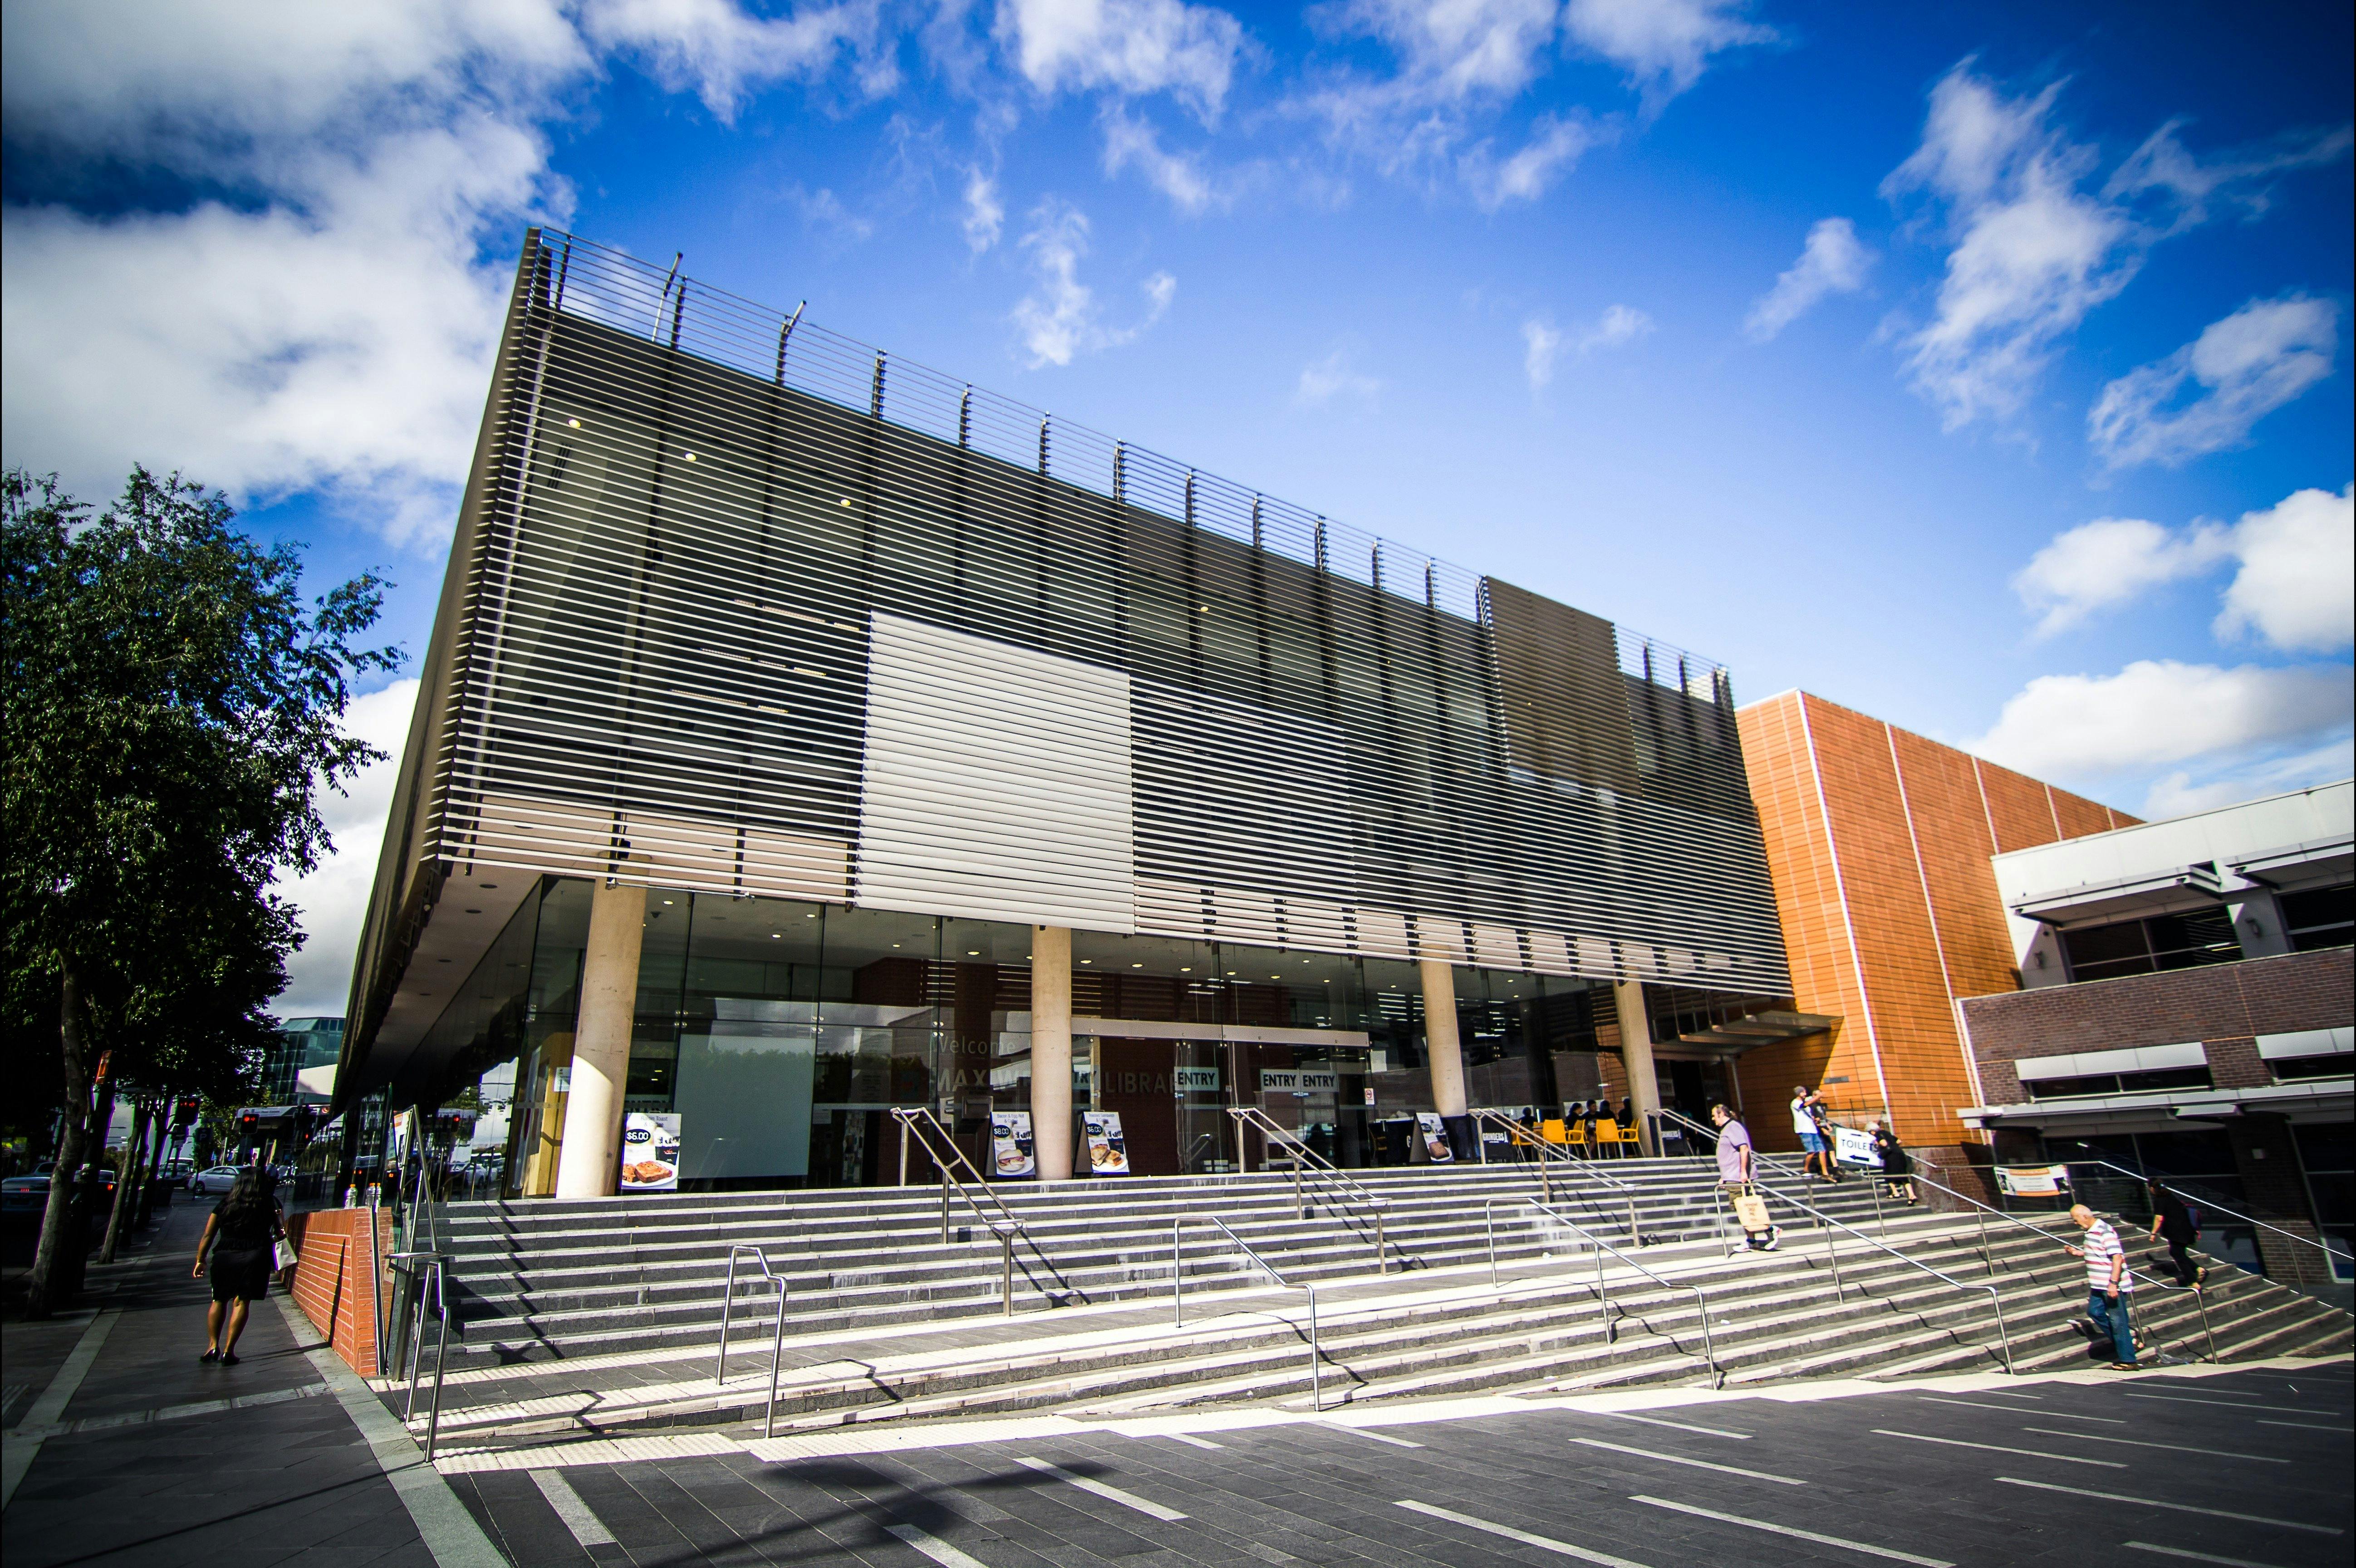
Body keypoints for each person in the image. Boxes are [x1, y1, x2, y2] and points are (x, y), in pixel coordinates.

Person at [193, 1165, 284, 1364]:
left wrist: (201, 1260)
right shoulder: (268, 1203)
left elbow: (209, 1234)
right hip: (256, 1256)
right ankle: (229, 1351)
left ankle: (212, 1346)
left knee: (218, 1299)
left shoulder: (225, 1204)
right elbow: (281, 1233)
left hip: (225, 1255)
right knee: (241, 1301)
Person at [2064, 1202, 2138, 1370]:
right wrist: (2078, 1253)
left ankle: (2128, 1360)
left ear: (2085, 1216)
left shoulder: (2105, 1231)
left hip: (2110, 1285)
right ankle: (2127, 1343)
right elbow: (2099, 1251)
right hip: (2098, 1284)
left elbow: (2117, 1258)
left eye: (2076, 1220)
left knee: (2118, 1321)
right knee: (2095, 1312)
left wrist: (2113, 1284)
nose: (2075, 1224)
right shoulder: (2090, 1231)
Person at [1711, 1102, 1778, 1251]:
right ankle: (1751, 1240)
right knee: (1744, 1210)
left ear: (1722, 1114)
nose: (1713, 1119)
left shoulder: (1733, 1127)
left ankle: (1771, 1230)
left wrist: (1743, 1172)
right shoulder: (1727, 1129)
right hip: (1732, 1176)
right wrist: (1724, 1176)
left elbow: (1744, 1148)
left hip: (1738, 1178)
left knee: (1745, 1209)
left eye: (1714, 1116)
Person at [2145, 1179, 2206, 1289]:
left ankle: (2193, 1282)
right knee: (2178, 1253)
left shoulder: (2159, 1200)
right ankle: (2198, 1269)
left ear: (2152, 1188)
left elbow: (2159, 1218)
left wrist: (2153, 1233)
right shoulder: (2171, 1196)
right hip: (2186, 1230)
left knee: (2177, 1254)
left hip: (2176, 1232)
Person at [1792, 1085, 1838, 1183]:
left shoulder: (1806, 1103)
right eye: (1803, 1092)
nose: (1805, 1094)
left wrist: (1815, 1120)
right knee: (1812, 1152)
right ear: (1799, 1093)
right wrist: (1817, 1097)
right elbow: (1804, 1105)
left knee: (1822, 1151)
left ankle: (1825, 1173)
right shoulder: (1795, 1102)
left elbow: (1808, 1114)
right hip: (1804, 1130)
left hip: (1813, 1130)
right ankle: (1806, 1169)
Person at [1868, 1119, 1915, 1204]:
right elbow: (1899, 1141)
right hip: (1900, 1154)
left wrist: (1878, 1144)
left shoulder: (1878, 1135)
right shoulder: (1886, 1133)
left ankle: (1896, 1193)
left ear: (1872, 1131)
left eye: (1869, 1132)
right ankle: (1912, 1195)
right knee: (1903, 1175)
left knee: (1888, 1174)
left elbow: (1884, 1144)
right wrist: (1894, 1146)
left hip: (1891, 1157)